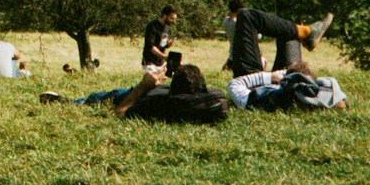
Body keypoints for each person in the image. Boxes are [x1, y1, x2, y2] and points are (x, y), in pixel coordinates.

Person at [42, 64, 229, 124]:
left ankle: (67, 102)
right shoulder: (212, 102)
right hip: (156, 90)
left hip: (133, 95)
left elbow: (120, 113)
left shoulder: (158, 105)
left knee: (97, 97)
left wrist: (143, 86)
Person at [224, 0, 332, 76]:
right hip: (280, 82)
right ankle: (306, 33)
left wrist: (268, 78)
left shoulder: (226, 21)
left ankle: (305, 33)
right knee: (246, 15)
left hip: (256, 82)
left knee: (284, 31)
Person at [226, 68, 348, 111]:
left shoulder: (256, 99)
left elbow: (234, 83)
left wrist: (269, 76)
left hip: (276, 85)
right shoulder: (324, 91)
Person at [142, 6, 178, 72]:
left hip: (160, 63)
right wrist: (165, 57)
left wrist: (168, 44)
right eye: (172, 18)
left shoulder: (167, 27)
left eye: (175, 19)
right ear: (164, 15)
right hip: (150, 64)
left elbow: (162, 45)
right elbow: (151, 47)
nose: (174, 21)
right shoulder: (152, 26)